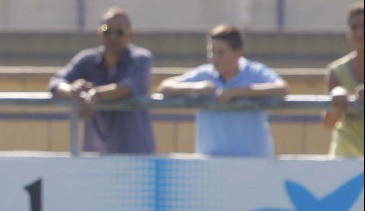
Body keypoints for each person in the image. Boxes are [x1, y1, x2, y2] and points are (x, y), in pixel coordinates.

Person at [157, 24, 290, 157]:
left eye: (220, 53)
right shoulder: (204, 74)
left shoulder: (254, 72)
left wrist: (238, 92)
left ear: (237, 52)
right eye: (211, 52)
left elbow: (282, 88)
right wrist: (196, 87)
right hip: (211, 163)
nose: (214, 58)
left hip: (253, 162)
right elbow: (165, 87)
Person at [48, 6, 155, 154]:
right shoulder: (86, 60)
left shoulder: (140, 59)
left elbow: (128, 87)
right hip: (95, 156)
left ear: (129, 33)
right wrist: (72, 91)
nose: (112, 37)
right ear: (98, 32)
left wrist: (96, 95)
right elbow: (57, 81)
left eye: (119, 32)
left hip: (135, 156)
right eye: (106, 31)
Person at [322, 2, 364, 157]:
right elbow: (328, 123)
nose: (360, 32)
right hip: (344, 160)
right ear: (348, 32)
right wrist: (338, 95)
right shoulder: (336, 70)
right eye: (355, 27)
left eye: (364, 26)